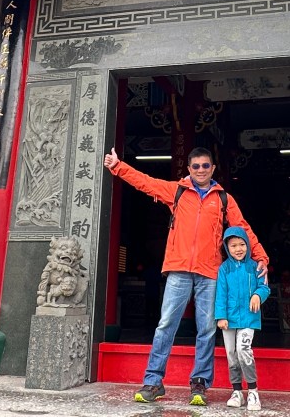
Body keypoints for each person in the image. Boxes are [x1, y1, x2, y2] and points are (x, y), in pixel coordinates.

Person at [103, 146, 269, 406]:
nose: (201, 170)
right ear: (189, 169)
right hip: (178, 269)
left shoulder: (223, 198)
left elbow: (242, 228)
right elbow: (146, 183)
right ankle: (153, 381)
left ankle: (199, 383)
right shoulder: (177, 191)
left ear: (213, 168)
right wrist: (117, 166)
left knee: (207, 329)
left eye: (205, 166)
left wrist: (260, 257)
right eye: (196, 166)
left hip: (209, 272)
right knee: (166, 325)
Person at [216, 227, 271, 412]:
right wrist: (221, 316)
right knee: (231, 354)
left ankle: (253, 391)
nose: (238, 249)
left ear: (247, 244)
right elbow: (221, 294)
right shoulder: (224, 269)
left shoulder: (256, 266)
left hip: (248, 318)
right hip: (229, 319)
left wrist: (257, 295)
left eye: (242, 244)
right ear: (227, 247)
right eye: (233, 246)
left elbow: (264, 287)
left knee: (243, 350)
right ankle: (237, 391)